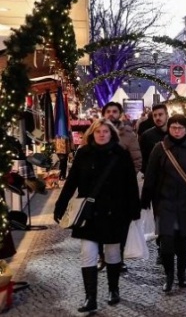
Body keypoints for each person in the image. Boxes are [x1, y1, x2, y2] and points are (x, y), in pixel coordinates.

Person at [53, 118, 140, 313]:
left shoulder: (120, 154)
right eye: (98, 131)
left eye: (105, 131)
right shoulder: (83, 154)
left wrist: (134, 210)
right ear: (92, 133)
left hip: (115, 212)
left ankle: (113, 289)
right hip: (89, 214)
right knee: (87, 253)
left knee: (112, 252)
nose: (102, 134)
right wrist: (60, 205)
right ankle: (90, 298)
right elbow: (71, 181)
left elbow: (130, 185)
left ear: (111, 134)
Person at [141, 114, 186, 293]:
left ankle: (181, 274)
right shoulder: (160, 148)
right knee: (166, 241)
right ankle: (169, 275)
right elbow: (150, 174)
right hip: (165, 200)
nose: (177, 131)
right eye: (174, 127)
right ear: (169, 128)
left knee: (183, 240)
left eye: (181, 128)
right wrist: (145, 198)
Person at [101, 101, 142, 273]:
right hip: (101, 190)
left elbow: (137, 161)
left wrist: (125, 180)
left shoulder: (129, 135)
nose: (111, 114)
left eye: (114, 111)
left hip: (121, 191)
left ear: (120, 114)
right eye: (108, 111)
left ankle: (119, 258)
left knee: (122, 225)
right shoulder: (97, 133)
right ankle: (102, 257)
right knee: (100, 224)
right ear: (103, 114)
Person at [138, 103, 169, 265]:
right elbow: (143, 161)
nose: (158, 118)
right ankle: (162, 248)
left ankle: (174, 247)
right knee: (159, 218)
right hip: (156, 186)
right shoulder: (147, 136)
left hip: (175, 185)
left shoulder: (175, 132)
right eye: (155, 115)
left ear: (166, 115)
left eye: (160, 115)